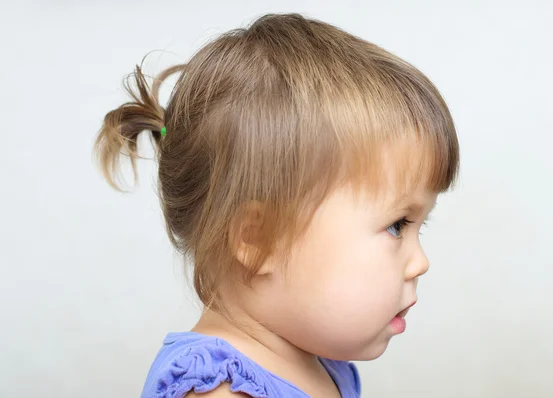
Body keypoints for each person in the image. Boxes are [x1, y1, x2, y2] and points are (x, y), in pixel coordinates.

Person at [95, 13, 459, 398]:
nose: (421, 262)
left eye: (420, 225)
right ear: (259, 239)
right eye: (397, 225)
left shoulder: (322, 365)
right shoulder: (220, 392)